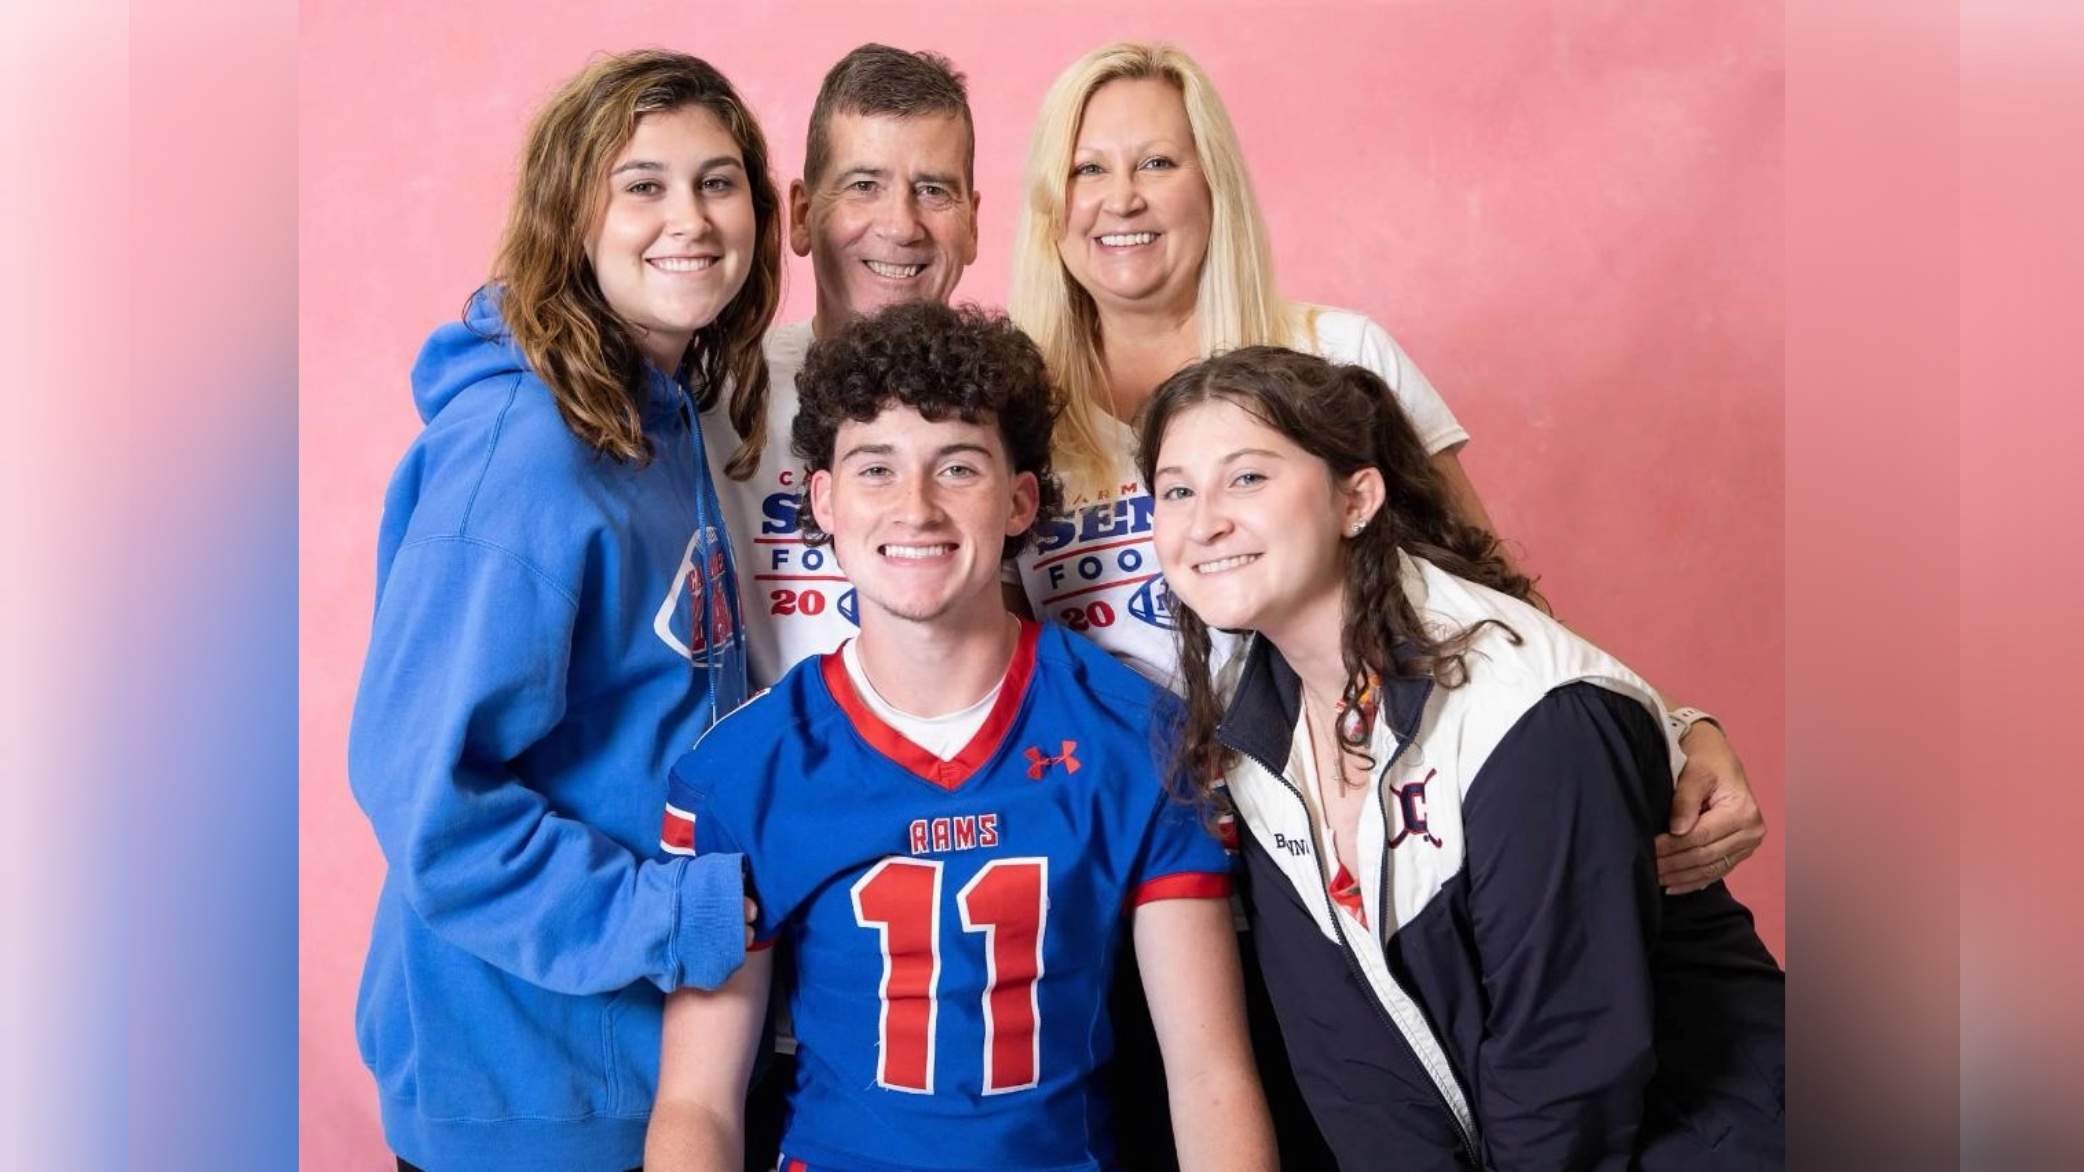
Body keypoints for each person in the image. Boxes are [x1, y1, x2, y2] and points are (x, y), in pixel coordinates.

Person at [1005, 41, 1765, 892]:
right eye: (1086, 169)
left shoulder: (1335, 356)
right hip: (1120, 871)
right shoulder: (1010, 414)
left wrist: (1679, 726)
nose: (1122, 199)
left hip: (1364, 854)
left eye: (1157, 161)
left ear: (1212, 183)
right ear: (1049, 203)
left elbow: (1491, 598)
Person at [646, 301, 1276, 1172]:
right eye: (876, 470)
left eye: (959, 468)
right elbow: (697, 1105)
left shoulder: (1135, 733)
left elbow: (1209, 1078)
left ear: (1021, 500)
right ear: (823, 499)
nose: (916, 508)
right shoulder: (743, 768)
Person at [1140, 345, 1786, 1169]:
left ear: (1356, 499)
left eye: (1249, 479)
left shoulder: (1531, 715)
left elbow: (1568, 1070)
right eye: (1177, 491)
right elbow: (1350, 1063)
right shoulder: (1252, 736)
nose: (1204, 522)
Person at [346, 49, 783, 1171]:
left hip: (651, 1067)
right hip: (527, 1092)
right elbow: (431, 800)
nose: (687, 217)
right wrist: (670, 922)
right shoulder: (523, 459)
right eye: (641, 184)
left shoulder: (659, 418)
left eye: (717, 180)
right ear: (569, 215)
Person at [699, 44, 980, 688]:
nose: (901, 225)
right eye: (864, 186)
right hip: (757, 774)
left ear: (972, 222)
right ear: (801, 214)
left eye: (933, 190)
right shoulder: (712, 393)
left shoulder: (1011, 412)